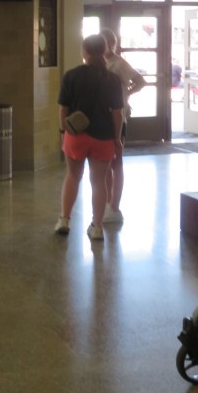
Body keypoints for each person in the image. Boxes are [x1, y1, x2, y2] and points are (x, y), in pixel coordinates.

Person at [55, 34, 124, 241]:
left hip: (76, 134)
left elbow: (63, 109)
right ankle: (96, 227)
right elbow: (117, 113)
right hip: (103, 137)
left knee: (73, 176)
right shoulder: (112, 79)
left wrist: (63, 132)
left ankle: (64, 220)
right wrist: (117, 138)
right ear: (104, 51)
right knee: (99, 181)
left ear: (84, 51)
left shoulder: (72, 75)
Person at [100, 27, 147, 224]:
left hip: (119, 114)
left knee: (116, 161)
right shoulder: (98, 63)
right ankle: (107, 202)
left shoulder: (119, 63)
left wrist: (126, 94)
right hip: (102, 116)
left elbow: (140, 81)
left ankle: (114, 205)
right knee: (105, 163)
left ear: (111, 43)